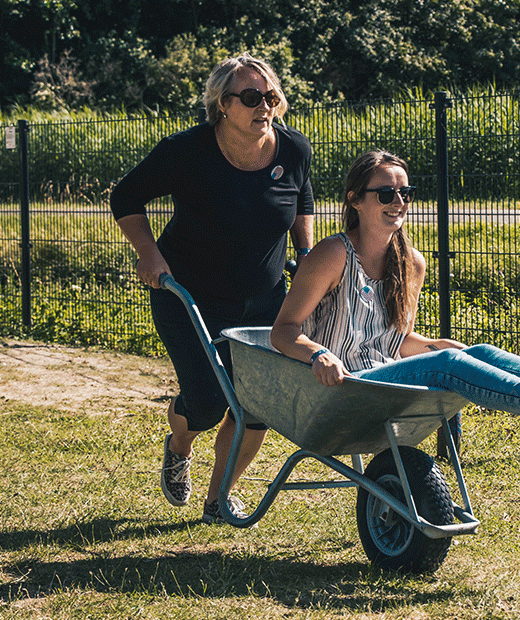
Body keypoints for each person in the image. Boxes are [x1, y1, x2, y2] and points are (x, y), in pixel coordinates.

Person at [270, 150, 520, 433]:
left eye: (405, 193)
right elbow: (283, 330)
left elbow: (396, 341)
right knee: (449, 364)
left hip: (385, 380)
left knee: (475, 352)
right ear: (355, 199)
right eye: (385, 194)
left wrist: (436, 345)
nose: (398, 202)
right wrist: (319, 354)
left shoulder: (411, 263)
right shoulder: (333, 254)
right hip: (342, 388)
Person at [110, 53, 314, 525]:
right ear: (222, 104)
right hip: (188, 296)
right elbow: (126, 196)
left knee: (256, 406)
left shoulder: (293, 149)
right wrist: (148, 253)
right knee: (205, 404)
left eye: (271, 96)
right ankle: (180, 444)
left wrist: (306, 254)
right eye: (251, 97)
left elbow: (301, 197)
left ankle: (219, 497)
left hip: (264, 299)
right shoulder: (187, 151)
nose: (265, 106)